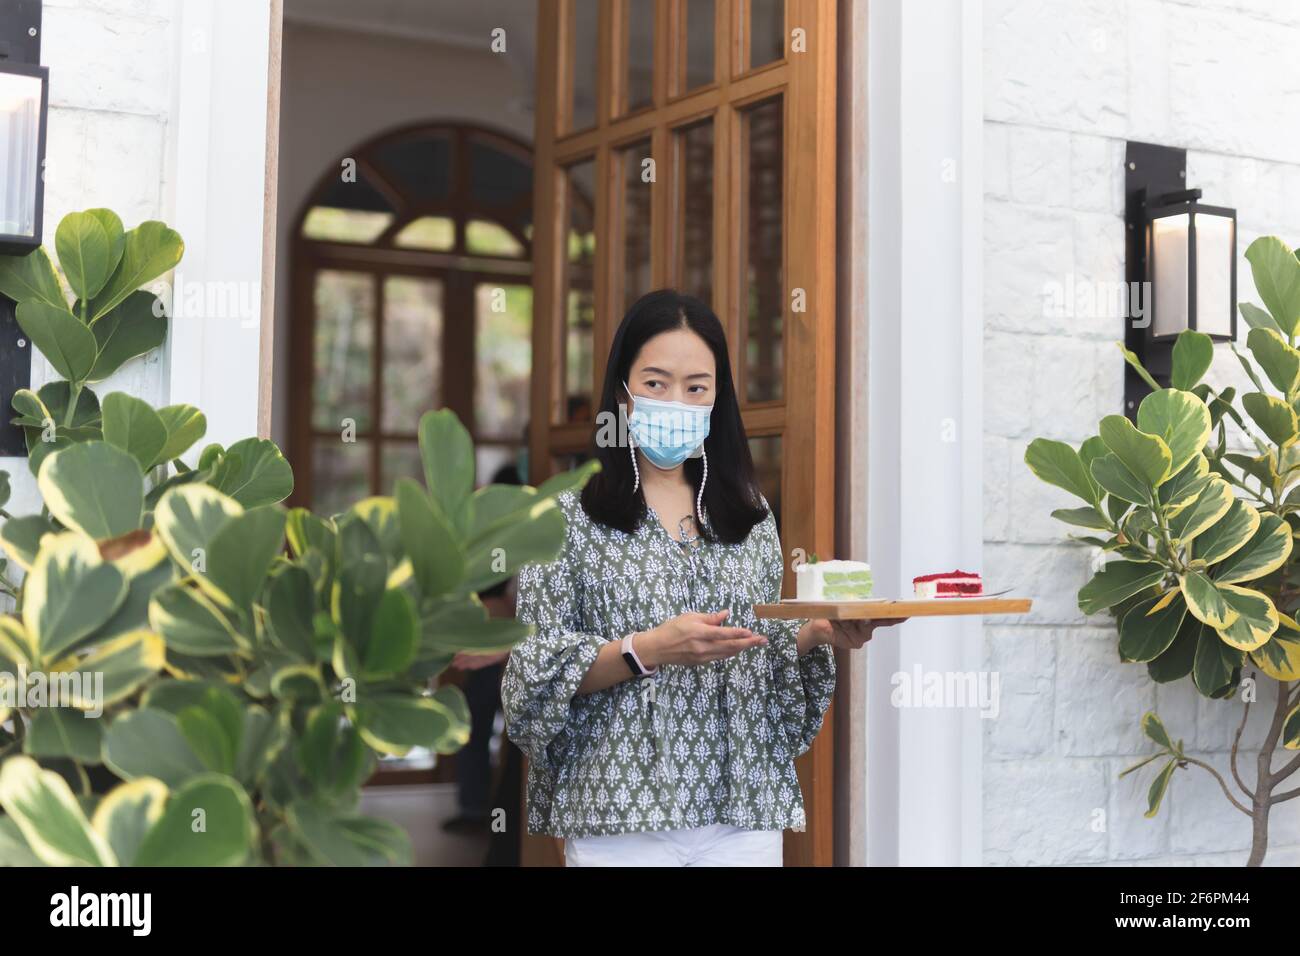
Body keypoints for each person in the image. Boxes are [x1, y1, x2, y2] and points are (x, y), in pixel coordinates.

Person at [500, 289, 905, 867]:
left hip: (742, 813)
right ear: (622, 392)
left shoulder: (750, 514)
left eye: (697, 387)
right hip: (619, 812)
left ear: (717, 399)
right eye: (656, 383)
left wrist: (815, 635)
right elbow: (531, 677)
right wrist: (647, 650)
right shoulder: (564, 518)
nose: (677, 401)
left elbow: (761, 656)